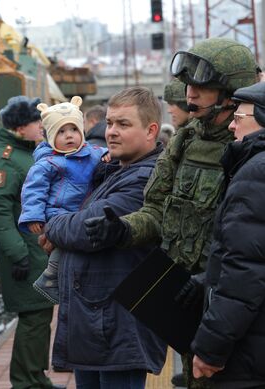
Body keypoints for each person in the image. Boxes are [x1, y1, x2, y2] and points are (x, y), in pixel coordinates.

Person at [84, 38, 260, 389]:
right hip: (187, 301)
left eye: (201, 87)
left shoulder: (249, 150)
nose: (189, 93)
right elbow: (157, 211)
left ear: (230, 92)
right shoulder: (184, 141)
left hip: (233, 305)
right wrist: (122, 229)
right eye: (189, 85)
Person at [42, 87, 167, 388]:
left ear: (151, 131)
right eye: (110, 123)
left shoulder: (145, 178)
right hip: (98, 323)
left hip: (118, 326)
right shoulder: (116, 172)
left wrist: (52, 225)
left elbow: (87, 228)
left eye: (123, 124)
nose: (111, 132)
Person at [0, 96, 62, 389]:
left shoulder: (24, 154)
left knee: (39, 318)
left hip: (35, 252)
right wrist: (19, 255)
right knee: (33, 318)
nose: (42, 127)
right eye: (36, 123)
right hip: (26, 256)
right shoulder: (5, 160)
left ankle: (36, 378)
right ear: (19, 128)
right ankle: (26, 382)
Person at [190, 81, 265, 388]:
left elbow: (245, 272)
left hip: (249, 353)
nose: (233, 126)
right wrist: (205, 280)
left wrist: (211, 349)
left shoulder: (255, 174)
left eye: (239, 117)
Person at [18, 96, 107, 304]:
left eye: (74, 130)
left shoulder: (93, 153)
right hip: (58, 212)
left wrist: (110, 156)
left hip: (82, 211)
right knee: (63, 245)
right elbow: (33, 191)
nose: (69, 136)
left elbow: (108, 153)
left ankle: (66, 279)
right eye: (61, 132)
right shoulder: (48, 163)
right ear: (50, 137)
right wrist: (33, 216)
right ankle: (50, 277)